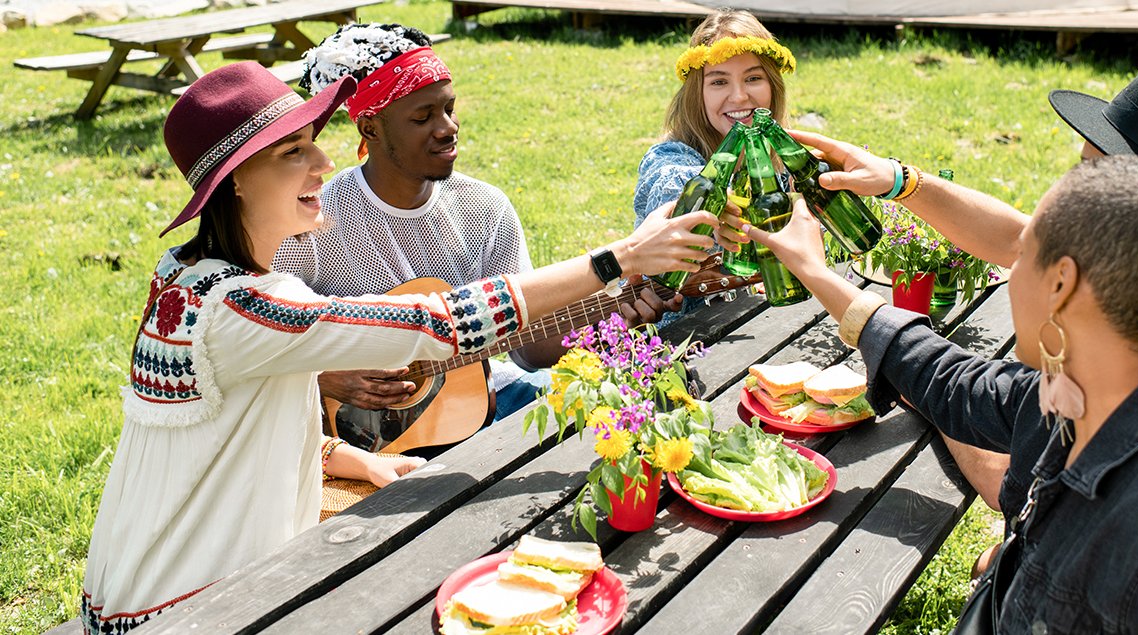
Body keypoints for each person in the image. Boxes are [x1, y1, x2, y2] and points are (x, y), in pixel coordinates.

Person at [81, 62, 715, 633]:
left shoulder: (187, 275)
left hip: (143, 584)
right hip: (192, 607)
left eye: (315, 146)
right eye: (293, 154)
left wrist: (362, 464)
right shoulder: (242, 307)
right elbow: (437, 322)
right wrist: (620, 259)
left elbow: (243, 420)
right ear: (235, 183)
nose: (323, 165)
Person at [777, 61, 1138, 632]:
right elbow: (1020, 249)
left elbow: (1023, 477)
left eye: (1089, 172)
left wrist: (919, 391)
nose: (1014, 268)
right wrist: (899, 181)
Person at [275, 24, 679, 436]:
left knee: (630, 414)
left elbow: (526, 345)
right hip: (354, 437)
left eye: (450, 108)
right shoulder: (314, 220)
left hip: (484, 401)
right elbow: (253, 336)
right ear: (370, 129)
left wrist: (610, 316)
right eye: (423, 116)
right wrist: (320, 376)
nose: (448, 127)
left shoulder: (484, 208)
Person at [632, 8, 794, 226]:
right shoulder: (670, 158)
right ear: (697, 94)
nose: (739, 97)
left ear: (773, 86)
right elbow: (676, 190)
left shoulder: (787, 163)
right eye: (719, 82)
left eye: (753, 78)